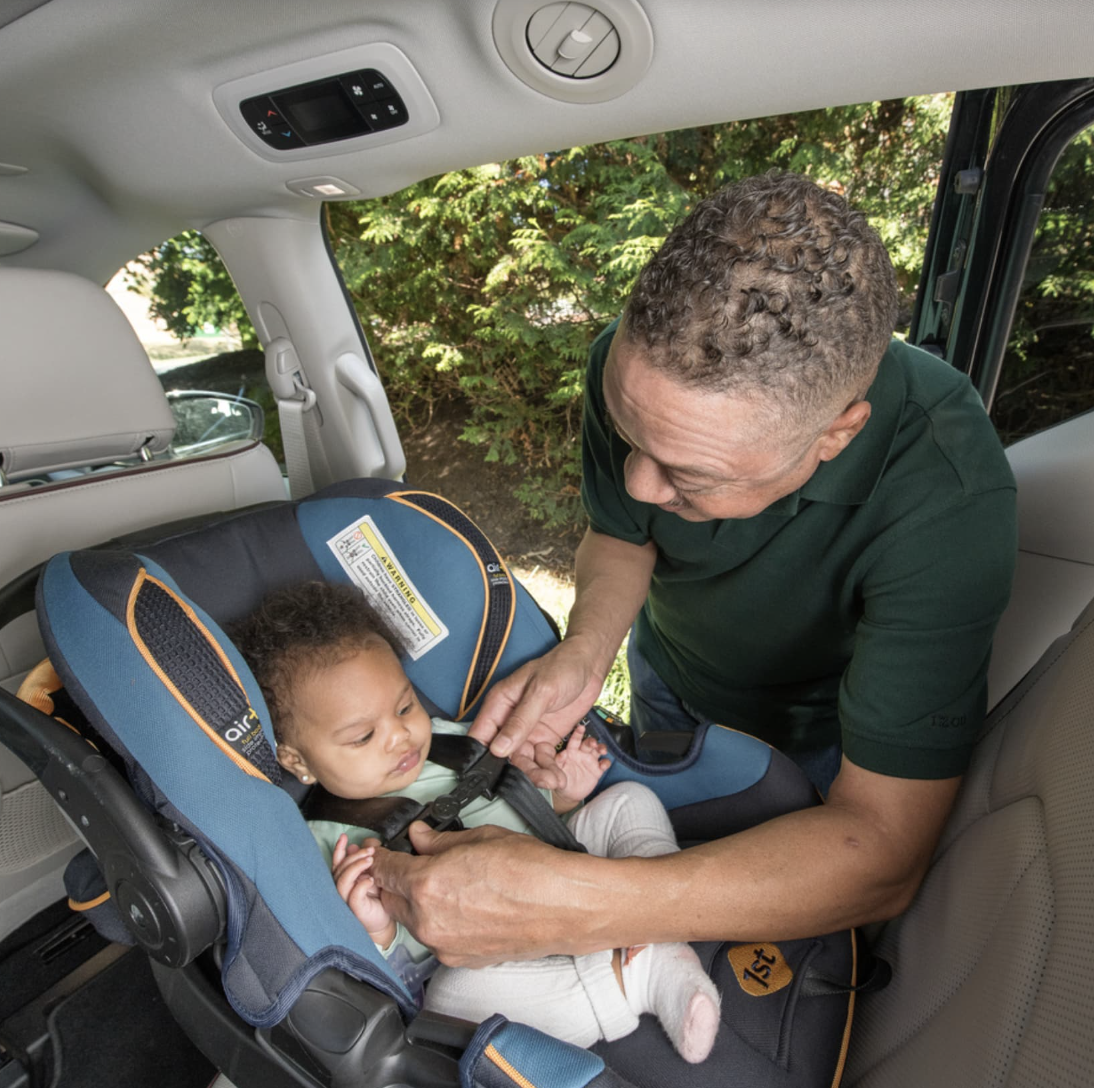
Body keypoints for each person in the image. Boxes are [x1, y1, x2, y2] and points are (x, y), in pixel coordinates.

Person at [367, 171, 1019, 969]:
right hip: (667, 670)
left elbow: (880, 853)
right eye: (629, 437)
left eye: (691, 477)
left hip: (820, 735)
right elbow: (621, 535)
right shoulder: (648, 374)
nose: (642, 485)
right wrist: (587, 651)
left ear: (836, 436)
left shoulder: (949, 498)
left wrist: (570, 909)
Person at [228, 581, 723, 1063]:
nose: (400, 736)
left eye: (405, 706)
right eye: (362, 737)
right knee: (457, 999)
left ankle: (659, 921)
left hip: (571, 873)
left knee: (628, 802)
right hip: (495, 954)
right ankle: (639, 976)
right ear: (299, 763)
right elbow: (386, 984)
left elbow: (524, 811)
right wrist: (377, 935)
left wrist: (559, 793)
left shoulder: (447, 742)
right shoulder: (330, 844)